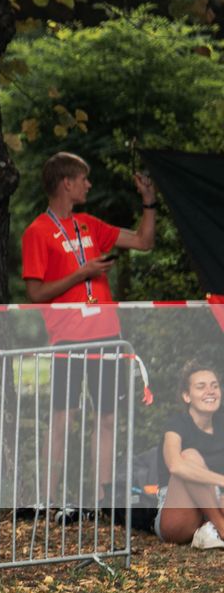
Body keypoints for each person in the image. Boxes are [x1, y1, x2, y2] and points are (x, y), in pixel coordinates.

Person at [21, 153, 157, 520]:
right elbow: (35, 294)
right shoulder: (37, 231)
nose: (88, 185)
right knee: (63, 418)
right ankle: (46, 499)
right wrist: (82, 273)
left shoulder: (89, 225)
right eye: (84, 179)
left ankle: (103, 501)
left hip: (107, 335)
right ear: (67, 183)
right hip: (67, 339)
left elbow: (144, 241)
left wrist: (149, 201)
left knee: (107, 418)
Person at [156, 364, 224, 549]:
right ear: (187, 396)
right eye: (201, 387)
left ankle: (208, 530)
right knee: (189, 457)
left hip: (215, 499)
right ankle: (220, 526)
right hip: (179, 514)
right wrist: (221, 480)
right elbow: (176, 466)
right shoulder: (176, 425)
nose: (210, 391)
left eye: (215, 385)